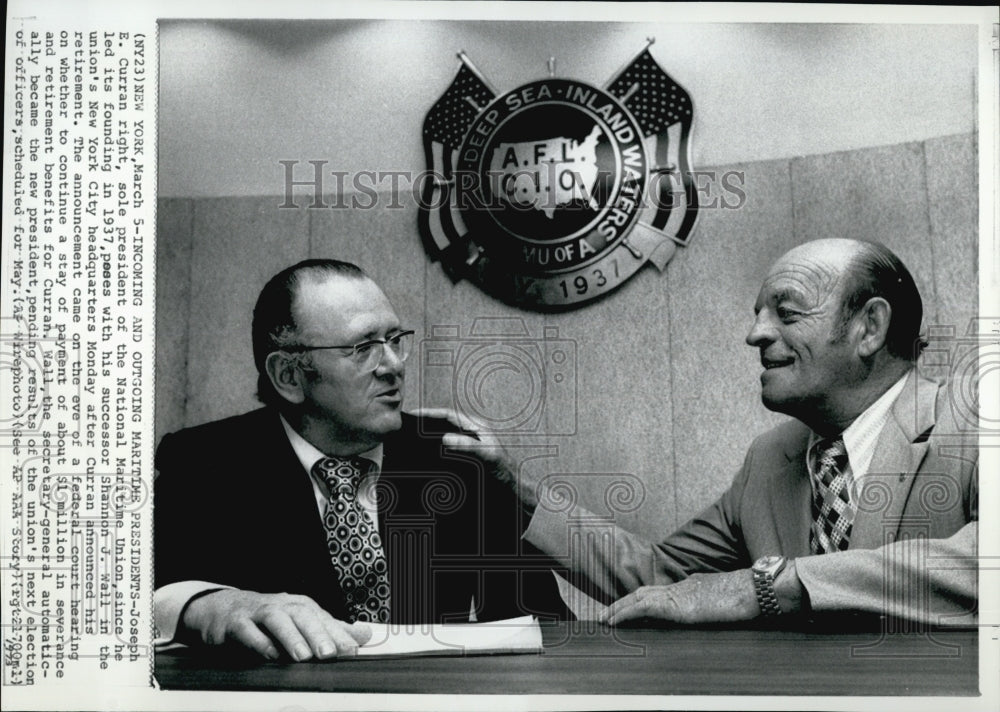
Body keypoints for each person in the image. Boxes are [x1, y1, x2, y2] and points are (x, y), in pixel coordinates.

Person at [440, 238, 977, 626]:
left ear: (870, 327)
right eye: (759, 314)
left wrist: (769, 585)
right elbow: (665, 580)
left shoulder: (972, 420)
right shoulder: (771, 459)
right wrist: (517, 487)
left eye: (786, 313)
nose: (756, 334)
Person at [154, 259, 566, 662]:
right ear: (289, 377)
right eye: (364, 347)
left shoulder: (456, 460)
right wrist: (214, 605)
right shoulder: (203, 464)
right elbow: (138, 603)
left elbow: (543, 624)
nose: (393, 365)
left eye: (394, 340)